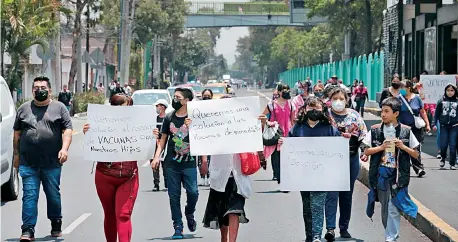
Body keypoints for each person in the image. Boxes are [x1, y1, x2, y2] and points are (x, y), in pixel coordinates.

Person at [14, 76, 73, 241]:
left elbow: (67, 130)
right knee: (29, 196)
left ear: (50, 90)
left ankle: (56, 221)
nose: (39, 90)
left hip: (52, 163)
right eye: (36, 87)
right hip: (28, 163)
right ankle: (27, 229)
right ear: (32, 90)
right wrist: (16, 157)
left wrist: (64, 149)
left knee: (53, 195)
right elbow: (17, 134)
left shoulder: (60, 108)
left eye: (43, 87)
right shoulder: (24, 109)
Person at [283, 96, 347, 242]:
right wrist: (284, 143)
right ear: (304, 110)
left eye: (317, 108)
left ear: (322, 109)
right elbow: (290, 148)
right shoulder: (297, 128)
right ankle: (309, 235)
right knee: (307, 207)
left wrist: (346, 138)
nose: (313, 111)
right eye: (310, 108)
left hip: (322, 176)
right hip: (302, 175)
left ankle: (317, 236)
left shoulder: (329, 129)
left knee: (317, 205)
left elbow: (339, 148)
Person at [151, 88, 207, 239]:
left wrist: (203, 161)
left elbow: (202, 140)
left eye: (178, 97)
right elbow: (163, 140)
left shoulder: (194, 118)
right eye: (174, 97)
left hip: (189, 163)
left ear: (186, 100)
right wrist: (156, 157)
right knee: (173, 196)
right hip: (171, 164)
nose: (175, 100)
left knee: (193, 193)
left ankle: (189, 212)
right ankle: (178, 226)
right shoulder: (169, 118)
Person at [82, 94, 138, 242]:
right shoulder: (100, 124)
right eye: (121, 108)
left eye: (128, 108)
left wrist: (152, 138)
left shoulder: (139, 125)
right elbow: (90, 146)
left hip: (129, 176)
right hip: (104, 175)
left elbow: (148, 148)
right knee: (110, 213)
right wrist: (88, 133)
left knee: (124, 214)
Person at [200, 95, 256, 242]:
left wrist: (259, 124)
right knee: (221, 212)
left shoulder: (243, 124)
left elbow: (255, 139)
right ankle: (224, 238)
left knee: (235, 211)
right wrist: (204, 160)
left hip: (238, 173)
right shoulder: (212, 125)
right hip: (219, 174)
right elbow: (202, 140)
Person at [364, 97, 419, 242]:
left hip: (398, 176)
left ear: (396, 114)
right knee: (385, 209)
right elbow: (366, 151)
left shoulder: (406, 132)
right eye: (382, 111)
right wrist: (381, 147)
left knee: (393, 209)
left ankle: (391, 238)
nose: (383, 114)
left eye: (386, 111)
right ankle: (390, 235)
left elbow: (416, 153)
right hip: (380, 175)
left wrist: (403, 147)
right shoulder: (375, 130)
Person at [324, 88, 368, 241]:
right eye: (335, 98)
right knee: (331, 193)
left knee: (346, 194)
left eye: (341, 98)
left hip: (351, 158)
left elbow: (364, 135)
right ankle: (330, 228)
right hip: (331, 160)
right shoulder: (325, 115)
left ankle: (344, 227)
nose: (338, 101)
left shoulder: (354, 115)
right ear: (330, 100)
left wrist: (364, 150)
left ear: (346, 100)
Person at [261, 83, 295, 185]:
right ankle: (279, 176)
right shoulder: (271, 105)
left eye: (288, 89)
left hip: (287, 135)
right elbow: (262, 116)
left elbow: (293, 121)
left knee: (287, 158)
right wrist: (267, 122)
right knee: (276, 158)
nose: (286, 92)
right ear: (279, 92)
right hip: (275, 134)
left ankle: (285, 179)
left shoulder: (291, 105)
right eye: (284, 90)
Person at [398, 80, 430, 177]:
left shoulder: (417, 98)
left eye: (402, 87)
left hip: (415, 128)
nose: (401, 89)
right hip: (403, 128)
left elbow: (422, 112)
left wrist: (427, 124)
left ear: (408, 88)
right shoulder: (398, 99)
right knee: (403, 148)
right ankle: (403, 169)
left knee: (416, 148)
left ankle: (419, 168)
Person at [432, 84, 458, 170]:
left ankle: (452, 163)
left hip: (455, 126)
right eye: (448, 90)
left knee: (453, 145)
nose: (450, 92)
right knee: (443, 145)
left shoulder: (457, 101)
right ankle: (443, 158)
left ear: (455, 91)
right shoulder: (441, 101)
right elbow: (436, 114)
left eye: (452, 90)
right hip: (443, 126)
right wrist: (434, 124)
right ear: (445, 91)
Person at [152, 99, 169, 191]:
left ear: (162, 107)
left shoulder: (168, 118)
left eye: (157, 106)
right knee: (155, 165)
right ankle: (156, 184)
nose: (156, 108)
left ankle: (167, 183)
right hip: (155, 144)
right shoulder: (154, 119)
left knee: (165, 165)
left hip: (165, 144)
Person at [198, 89, 213, 186]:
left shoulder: (215, 108)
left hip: (212, 137)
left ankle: (210, 176)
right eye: (205, 95)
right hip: (200, 137)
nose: (206, 97)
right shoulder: (197, 108)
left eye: (208, 96)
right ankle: (202, 176)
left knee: (211, 159)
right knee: (201, 158)